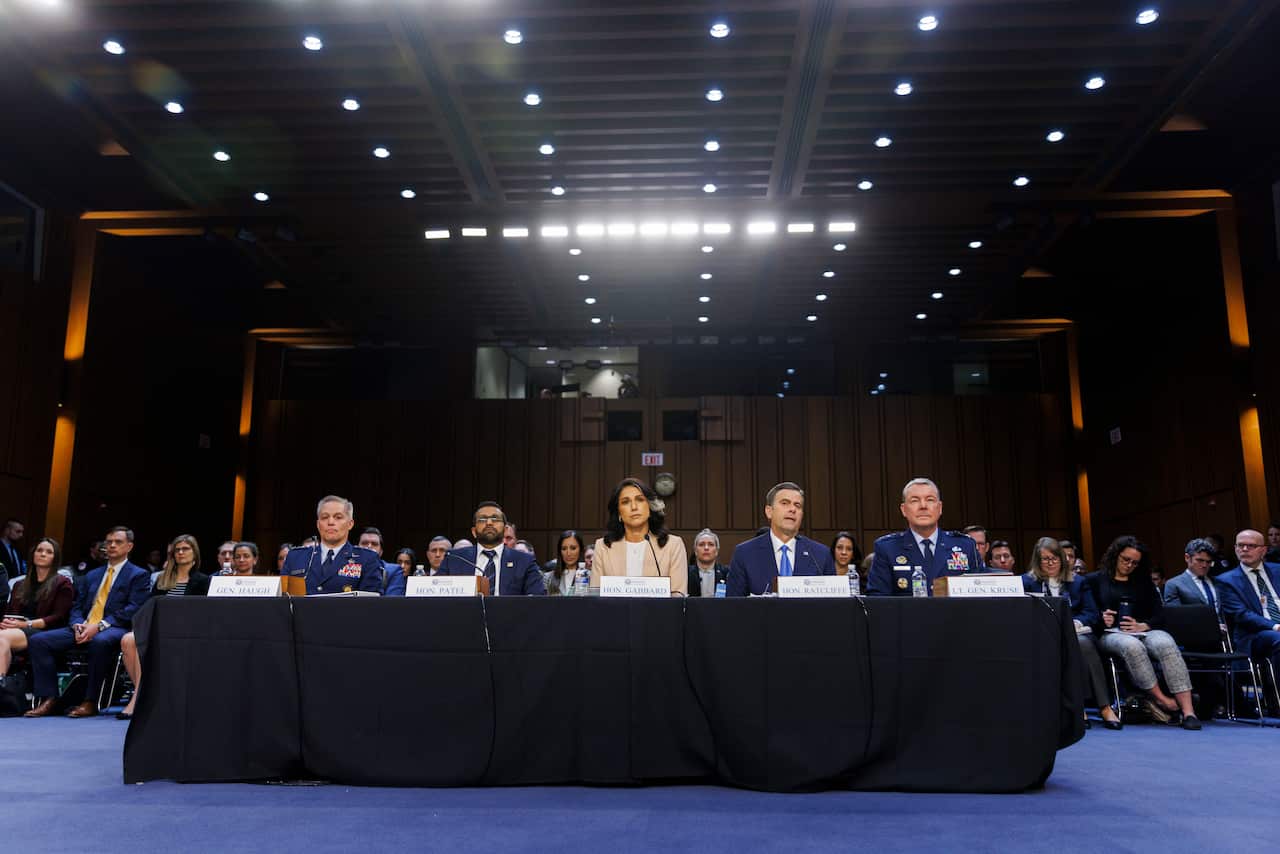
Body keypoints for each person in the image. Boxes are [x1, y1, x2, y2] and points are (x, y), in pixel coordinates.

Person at [25, 526, 151, 717]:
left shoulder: (138, 575)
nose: (112, 546)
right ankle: (49, 699)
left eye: (118, 542)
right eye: (109, 542)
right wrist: (77, 624)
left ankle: (90, 701)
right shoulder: (92, 575)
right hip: (83, 626)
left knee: (100, 642)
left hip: (114, 628)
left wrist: (99, 626)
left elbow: (133, 608)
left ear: (129, 546)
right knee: (38, 641)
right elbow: (76, 605)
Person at [1086, 535, 1200, 729]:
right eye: (1126, 560)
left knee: (1166, 644)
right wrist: (1101, 617)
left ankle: (1188, 711)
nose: (1129, 565)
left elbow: (1160, 615)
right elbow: (1088, 613)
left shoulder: (1143, 581)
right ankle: (1161, 699)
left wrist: (1144, 625)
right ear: (1115, 555)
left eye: (1135, 562)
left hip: (1143, 629)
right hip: (1109, 633)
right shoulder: (1095, 580)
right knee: (1132, 647)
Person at [1021, 537, 1120, 729]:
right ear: (1037, 561)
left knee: (1081, 645)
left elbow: (1091, 613)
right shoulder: (1027, 582)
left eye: (1054, 559)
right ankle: (1078, 708)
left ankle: (1105, 706)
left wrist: (1075, 623)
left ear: (1062, 559)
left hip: (1077, 632)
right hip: (1044, 635)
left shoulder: (1078, 582)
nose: (1050, 563)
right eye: (1045, 559)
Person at [116, 535, 210, 720]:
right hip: (159, 626)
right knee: (128, 639)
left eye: (185, 549)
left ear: (195, 553)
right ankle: (142, 694)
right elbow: (149, 606)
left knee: (144, 642)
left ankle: (138, 700)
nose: (181, 552)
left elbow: (202, 613)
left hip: (185, 632)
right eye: (177, 550)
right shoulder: (163, 578)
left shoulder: (203, 580)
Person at [868, 478, 980, 596]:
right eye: (915, 500)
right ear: (904, 510)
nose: (923, 506)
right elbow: (878, 599)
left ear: (940, 507)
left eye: (930, 500)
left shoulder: (966, 545)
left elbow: (980, 592)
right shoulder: (887, 548)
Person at [726, 482, 833, 596]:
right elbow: (733, 607)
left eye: (797, 505)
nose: (792, 509)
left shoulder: (820, 554)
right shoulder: (745, 553)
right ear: (769, 511)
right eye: (785, 503)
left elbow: (833, 606)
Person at [592, 478, 688, 596]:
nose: (634, 507)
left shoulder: (673, 545)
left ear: (650, 506)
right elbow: (595, 597)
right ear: (618, 513)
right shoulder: (603, 547)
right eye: (625, 502)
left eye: (640, 500)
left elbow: (678, 595)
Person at [279, 495, 384, 594]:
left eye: (338, 517)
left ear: (350, 524)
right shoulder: (296, 557)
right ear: (318, 524)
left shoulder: (367, 559)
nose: (330, 522)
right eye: (324, 517)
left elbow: (371, 604)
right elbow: (283, 599)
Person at [1, 538, 73, 680]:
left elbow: (59, 617)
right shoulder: (19, 584)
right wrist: (5, 622)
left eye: (48, 552)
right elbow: (10, 612)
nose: (43, 554)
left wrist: (26, 624)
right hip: (17, 629)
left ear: (55, 558)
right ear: (33, 554)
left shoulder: (63, 583)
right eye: (39, 550)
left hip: (45, 632)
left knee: (2, 638)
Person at [1215, 529, 1280, 679]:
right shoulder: (1226, 580)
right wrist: (1275, 626)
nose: (1244, 549)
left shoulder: (1278, 570)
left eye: (1250, 545)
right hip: (1255, 635)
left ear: (1263, 550)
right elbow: (1241, 614)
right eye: (1240, 545)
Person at [441, 501, 545, 595]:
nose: (489, 523)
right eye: (482, 519)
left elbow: (537, 599)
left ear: (505, 530)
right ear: (474, 532)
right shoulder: (453, 558)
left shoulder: (524, 561)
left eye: (495, 518)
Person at [1163, 538, 1221, 612]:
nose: (1204, 565)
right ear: (1187, 558)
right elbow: (1176, 618)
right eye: (1200, 560)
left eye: (1208, 562)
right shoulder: (1174, 585)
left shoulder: (1217, 581)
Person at [358, 526, 405, 596]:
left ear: (381, 551)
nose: (369, 546)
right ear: (356, 548)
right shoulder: (346, 567)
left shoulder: (394, 571)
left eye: (374, 544)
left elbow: (393, 602)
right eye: (364, 543)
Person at [689, 529, 729, 597]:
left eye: (711, 544)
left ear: (716, 551)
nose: (706, 548)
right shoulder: (686, 573)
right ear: (695, 551)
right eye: (701, 545)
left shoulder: (727, 573)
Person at [545, 530, 585, 596]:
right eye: (564, 549)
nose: (568, 553)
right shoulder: (548, 578)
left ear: (580, 550)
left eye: (573, 548)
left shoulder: (589, 576)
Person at [0, 518, 25, 584]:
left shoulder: (17, 549)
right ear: (7, 530)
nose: (21, 535)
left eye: (22, 532)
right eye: (18, 531)